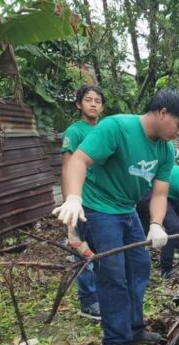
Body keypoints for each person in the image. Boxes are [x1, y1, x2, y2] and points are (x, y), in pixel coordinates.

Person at [53, 88, 179, 345]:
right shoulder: (117, 127)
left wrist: (156, 224)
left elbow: (159, 193)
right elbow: (78, 160)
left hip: (126, 208)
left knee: (140, 265)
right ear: (163, 112)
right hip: (99, 207)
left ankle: (133, 327)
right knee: (113, 273)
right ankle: (115, 344)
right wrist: (73, 197)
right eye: (178, 125)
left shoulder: (165, 150)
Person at [61, 84, 105, 320]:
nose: (93, 104)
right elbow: (68, 167)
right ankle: (88, 302)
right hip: (82, 200)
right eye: (88, 100)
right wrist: (70, 201)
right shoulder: (75, 132)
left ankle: (100, 295)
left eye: (97, 101)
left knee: (99, 251)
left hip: (101, 202)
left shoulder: (104, 130)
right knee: (83, 251)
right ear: (79, 104)